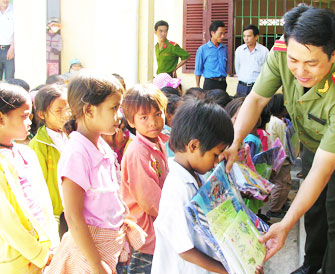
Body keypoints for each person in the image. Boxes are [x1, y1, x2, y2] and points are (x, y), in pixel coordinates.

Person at [220, 5, 335, 274]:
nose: (300, 71)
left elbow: (324, 171)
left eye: (311, 63)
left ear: (333, 54)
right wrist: (234, 142)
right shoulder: (283, 51)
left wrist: (286, 223)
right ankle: (312, 265)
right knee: (314, 212)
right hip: (311, 141)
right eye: (294, 61)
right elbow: (256, 99)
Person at [46, 72, 145, 274]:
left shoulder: (101, 145)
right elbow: (73, 217)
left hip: (108, 251)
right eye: (114, 108)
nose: (120, 116)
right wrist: (96, 265)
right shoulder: (77, 153)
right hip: (89, 255)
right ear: (89, 110)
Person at [151, 99, 264, 274]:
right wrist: (231, 270)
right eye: (215, 154)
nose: (216, 162)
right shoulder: (177, 188)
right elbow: (184, 250)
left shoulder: (198, 174)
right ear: (194, 146)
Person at [0, 83, 60, 273]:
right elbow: (6, 221)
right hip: (15, 260)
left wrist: (53, 245)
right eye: (24, 116)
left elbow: (45, 205)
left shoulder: (27, 153)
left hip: (45, 255)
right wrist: (37, 254)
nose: (30, 122)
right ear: (1, 118)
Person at [121, 84, 169, 274]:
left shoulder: (158, 142)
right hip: (146, 235)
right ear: (131, 122)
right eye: (144, 117)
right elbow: (151, 202)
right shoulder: (138, 152)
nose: (153, 122)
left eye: (158, 114)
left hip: (157, 229)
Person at [29, 85, 69, 227]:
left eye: (67, 109)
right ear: (41, 114)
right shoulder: (38, 145)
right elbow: (38, 187)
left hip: (76, 209)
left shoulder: (73, 136)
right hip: (56, 214)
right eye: (59, 111)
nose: (65, 114)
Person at [265, 94, 292, 218]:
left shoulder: (271, 120)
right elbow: (284, 143)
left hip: (274, 157)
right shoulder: (279, 124)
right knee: (282, 183)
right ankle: (275, 208)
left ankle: (280, 203)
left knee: (280, 183)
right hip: (281, 159)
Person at [235, 24, 269, 97]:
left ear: (256, 37)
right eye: (244, 36)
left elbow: (266, 70)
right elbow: (237, 67)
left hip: (257, 87)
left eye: (249, 36)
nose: (246, 39)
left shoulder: (264, 51)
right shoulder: (239, 50)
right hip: (242, 86)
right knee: (240, 107)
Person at [195, 21, 228, 91]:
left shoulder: (224, 48)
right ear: (212, 33)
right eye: (220, 33)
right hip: (210, 83)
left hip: (223, 83)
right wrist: (197, 86)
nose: (223, 36)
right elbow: (198, 69)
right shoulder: (203, 49)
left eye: (224, 33)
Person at [0, 0, 14, 80]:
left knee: (10, 80)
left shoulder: (14, 10)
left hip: (9, 49)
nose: (5, 0)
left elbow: (18, 31)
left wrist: (12, 48)